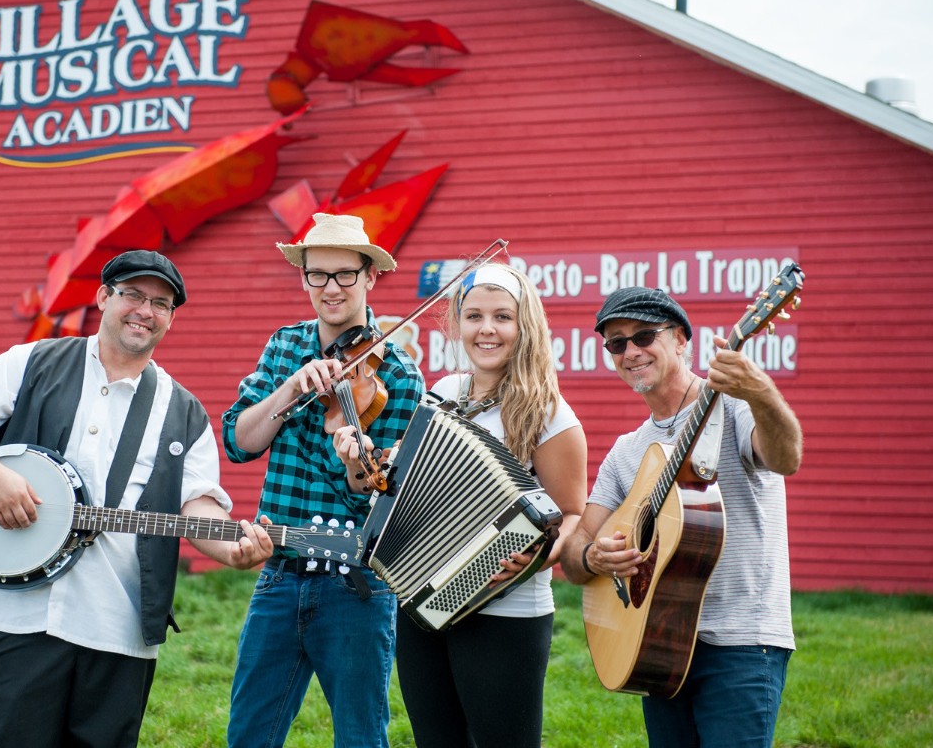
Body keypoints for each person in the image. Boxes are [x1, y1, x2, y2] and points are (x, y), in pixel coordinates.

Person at [0, 250, 274, 748]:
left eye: (161, 303)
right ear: (104, 296)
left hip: (120, 626)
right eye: (133, 294)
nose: (145, 311)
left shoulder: (184, 412)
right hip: (19, 616)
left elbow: (197, 505)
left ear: (171, 319)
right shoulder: (34, 361)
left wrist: (233, 550)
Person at [335, 262, 588, 748]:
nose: (486, 329)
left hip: (506, 612)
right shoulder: (445, 392)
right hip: (421, 600)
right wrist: (363, 464)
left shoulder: (551, 415)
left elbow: (572, 515)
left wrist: (535, 555)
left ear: (525, 326)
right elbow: (404, 484)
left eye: (501, 317)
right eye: (473, 317)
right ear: (457, 325)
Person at [562, 286, 804, 748]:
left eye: (644, 336)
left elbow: (786, 457)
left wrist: (762, 393)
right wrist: (595, 557)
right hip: (655, 643)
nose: (631, 352)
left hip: (741, 642)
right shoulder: (625, 452)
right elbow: (574, 551)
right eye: (617, 343)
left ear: (680, 340)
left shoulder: (732, 409)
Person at [222, 213, 425, 748]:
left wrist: (357, 459)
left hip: (355, 584)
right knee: (248, 735)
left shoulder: (399, 374)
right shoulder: (285, 346)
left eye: (345, 275)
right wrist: (289, 389)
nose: (331, 288)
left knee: (360, 737)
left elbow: (382, 489)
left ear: (370, 278)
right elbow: (240, 442)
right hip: (280, 573)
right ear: (305, 278)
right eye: (318, 275)